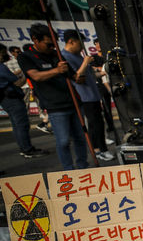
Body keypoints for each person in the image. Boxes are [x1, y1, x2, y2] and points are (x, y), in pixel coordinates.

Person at [17, 23, 88, 170]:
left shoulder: (57, 55)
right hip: (55, 106)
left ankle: (83, 166)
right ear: (35, 40)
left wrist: (82, 73)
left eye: (54, 44)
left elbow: (74, 76)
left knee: (81, 138)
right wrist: (57, 70)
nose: (52, 48)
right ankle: (69, 171)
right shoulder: (26, 57)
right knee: (63, 141)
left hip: (74, 102)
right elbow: (36, 76)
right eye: (49, 44)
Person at [61, 30, 113, 161]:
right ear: (71, 41)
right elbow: (77, 77)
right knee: (96, 124)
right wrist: (85, 63)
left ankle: (97, 149)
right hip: (84, 96)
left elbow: (92, 75)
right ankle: (101, 150)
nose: (82, 46)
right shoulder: (64, 57)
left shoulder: (79, 56)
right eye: (80, 42)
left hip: (93, 95)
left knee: (97, 123)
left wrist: (105, 70)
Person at [0, 43, 47, 159]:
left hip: (6, 99)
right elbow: (17, 82)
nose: (5, 56)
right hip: (11, 98)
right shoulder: (1, 67)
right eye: (2, 53)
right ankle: (27, 149)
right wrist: (28, 74)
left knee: (17, 125)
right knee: (22, 125)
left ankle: (24, 147)